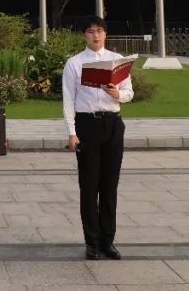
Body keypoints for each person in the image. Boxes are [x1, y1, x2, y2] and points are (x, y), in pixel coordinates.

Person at [63, 16, 134, 260]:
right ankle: (91, 243)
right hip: (87, 125)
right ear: (84, 35)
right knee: (89, 186)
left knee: (109, 187)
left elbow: (129, 92)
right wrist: (72, 132)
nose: (96, 35)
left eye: (100, 31)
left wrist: (118, 94)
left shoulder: (117, 60)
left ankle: (107, 242)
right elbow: (68, 100)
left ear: (105, 34)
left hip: (113, 124)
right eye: (91, 31)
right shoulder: (74, 63)